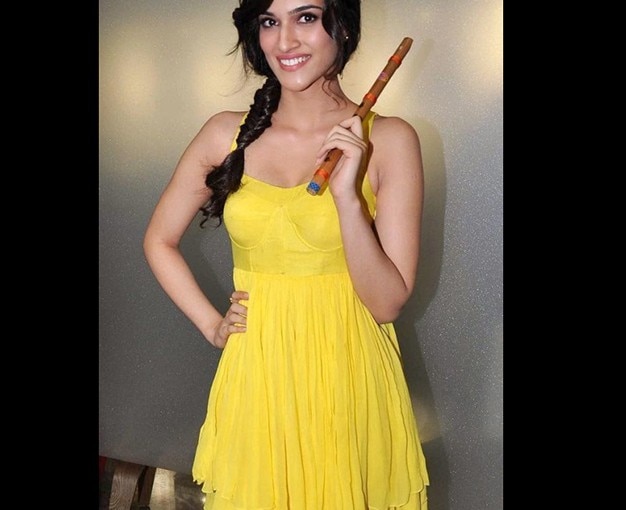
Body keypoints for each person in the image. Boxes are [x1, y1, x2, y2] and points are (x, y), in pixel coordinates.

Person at [143, 0, 429, 508]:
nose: (285, 40)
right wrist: (212, 325)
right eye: (270, 22)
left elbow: (387, 304)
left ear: (343, 27)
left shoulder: (389, 139)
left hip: (349, 377)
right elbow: (159, 240)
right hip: (258, 374)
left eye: (306, 17)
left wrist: (347, 197)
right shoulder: (224, 133)